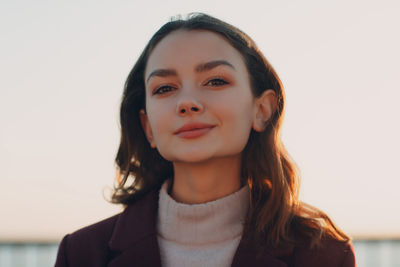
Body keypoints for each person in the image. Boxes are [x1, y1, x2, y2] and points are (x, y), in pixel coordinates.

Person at [55, 13, 356, 267]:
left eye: (215, 81)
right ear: (148, 126)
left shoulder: (324, 255)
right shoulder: (82, 254)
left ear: (262, 110)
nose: (187, 103)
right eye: (164, 88)